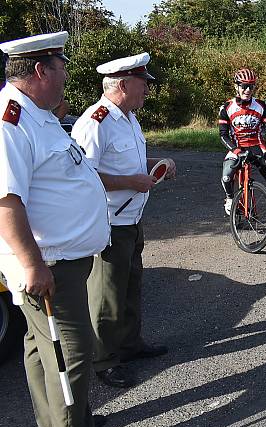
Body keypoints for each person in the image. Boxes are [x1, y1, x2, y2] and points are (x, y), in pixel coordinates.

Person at [0, 31, 119, 427]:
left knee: (39, 348)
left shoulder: (38, 115)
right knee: (70, 353)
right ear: (40, 70)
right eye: (62, 66)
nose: (67, 74)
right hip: (48, 264)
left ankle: (59, 426)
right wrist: (31, 263)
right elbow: (6, 200)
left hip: (63, 259)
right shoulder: (10, 122)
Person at [72, 52, 176, 389]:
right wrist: (131, 182)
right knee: (108, 294)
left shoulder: (128, 117)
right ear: (123, 84)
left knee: (131, 285)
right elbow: (83, 177)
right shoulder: (95, 121)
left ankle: (130, 345)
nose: (147, 90)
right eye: (143, 84)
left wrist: (155, 163)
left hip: (131, 216)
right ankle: (104, 359)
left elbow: (130, 159)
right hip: (108, 221)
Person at [218, 68, 266, 238]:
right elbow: (223, 134)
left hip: (258, 147)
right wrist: (236, 150)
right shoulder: (226, 107)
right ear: (237, 86)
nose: (248, 90)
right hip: (237, 147)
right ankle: (230, 198)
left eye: (251, 86)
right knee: (227, 176)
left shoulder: (262, 105)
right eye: (244, 86)